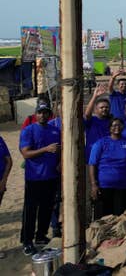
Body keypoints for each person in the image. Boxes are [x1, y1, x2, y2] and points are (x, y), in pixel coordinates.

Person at [19, 103, 61, 256]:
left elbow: (60, 149)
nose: (43, 115)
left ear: (49, 114)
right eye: (40, 112)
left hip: (51, 177)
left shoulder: (55, 130)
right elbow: (25, 153)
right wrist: (45, 149)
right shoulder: (28, 130)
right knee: (30, 211)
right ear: (35, 114)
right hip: (34, 177)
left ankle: (41, 236)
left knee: (47, 208)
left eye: (46, 112)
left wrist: (60, 162)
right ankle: (27, 241)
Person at [88, 118, 126, 219]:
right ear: (109, 128)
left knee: (121, 215)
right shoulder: (101, 143)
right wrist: (93, 185)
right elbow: (92, 164)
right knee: (105, 216)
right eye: (114, 125)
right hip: (105, 185)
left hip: (123, 185)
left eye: (119, 125)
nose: (117, 127)